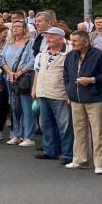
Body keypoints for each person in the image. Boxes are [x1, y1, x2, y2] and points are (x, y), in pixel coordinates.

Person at [63, 29, 102, 174]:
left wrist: (92, 80)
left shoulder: (99, 55)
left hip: (95, 98)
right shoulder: (70, 55)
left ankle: (100, 163)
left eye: (75, 41)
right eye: (71, 40)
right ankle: (81, 160)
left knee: (98, 131)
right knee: (79, 130)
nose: (72, 43)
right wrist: (69, 91)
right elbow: (66, 75)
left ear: (85, 42)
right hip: (76, 98)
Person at [32, 26, 73, 164]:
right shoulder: (44, 52)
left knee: (64, 125)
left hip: (59, 93)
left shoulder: (68, 53)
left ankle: (67, 153)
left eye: (50, 36)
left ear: (60, 38)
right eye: (46, 36)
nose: (47, 39)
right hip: (43, 91)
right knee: (46, 123)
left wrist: (70, 94)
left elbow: (72, 75)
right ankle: (50, 150)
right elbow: (38, 70)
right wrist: (35, 88)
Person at [1, 19, 35, 146]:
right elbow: (2, 59)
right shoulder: (9, 43)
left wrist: (19, 72)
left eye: (19, 26)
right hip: (10, 78)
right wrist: (9, 73)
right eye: (14, 27)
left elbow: (32, 60)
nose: (15, 28)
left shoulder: (30, 43)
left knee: (26, 107)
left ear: (24, 29)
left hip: (24, 78)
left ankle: (28, 136)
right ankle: (16, 134)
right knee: (15, 107)